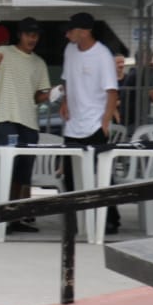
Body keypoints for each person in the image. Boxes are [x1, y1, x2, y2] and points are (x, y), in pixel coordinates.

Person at [0, 17, 52, 231]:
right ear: (20, 35)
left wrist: (54, 93)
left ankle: (14, 217)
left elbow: (38, 96)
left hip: (29, 122)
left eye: (36, 35)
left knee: (22, 174)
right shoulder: (4, 52)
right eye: (28, 34)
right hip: (6, 118)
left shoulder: (39, 63)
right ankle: (1, 216)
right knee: (5, 169)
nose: (32, 38)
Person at [60, 12, 121, 234]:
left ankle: (110, 218)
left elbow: (112, 92)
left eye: (72, 30)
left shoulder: (102, 55)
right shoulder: (69, 50)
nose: (68, 34)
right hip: (73, 123)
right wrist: (66, 101)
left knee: (101, 175)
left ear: (84, 31)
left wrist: (105, 121)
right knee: (70, 175)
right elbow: (66, 79)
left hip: (95, 123)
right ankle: (73, 220)